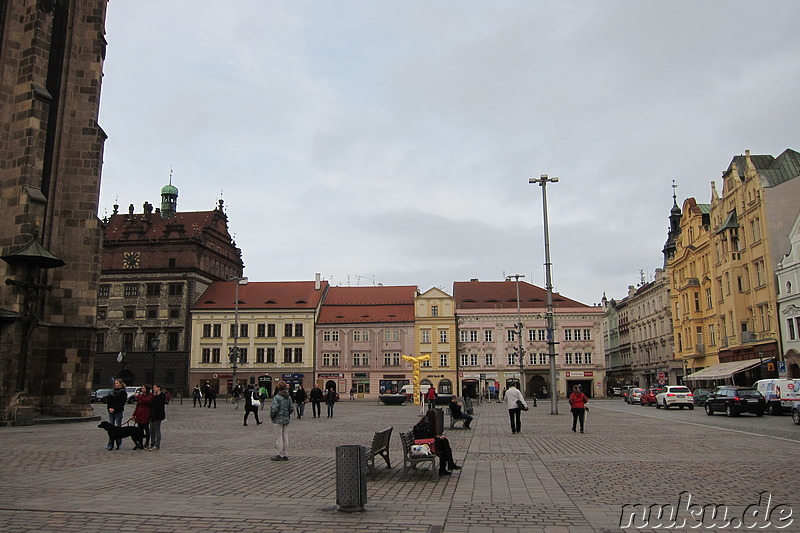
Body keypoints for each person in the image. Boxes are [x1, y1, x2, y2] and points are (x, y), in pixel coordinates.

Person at [412, 409, 461, 476]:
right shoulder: (426, 426)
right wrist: (438, 439)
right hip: (423, 447)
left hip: (424, 444)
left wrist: (437, 438)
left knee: (444, 444)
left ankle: (449, 465)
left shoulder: (424, 422)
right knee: (444, 444)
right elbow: (427, 439)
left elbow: (428, 437)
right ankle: (447, 466)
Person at [270, 381, 293, 461]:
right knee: (285, 436)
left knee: (279, 437)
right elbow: (291, 408)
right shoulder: (288, 397)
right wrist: (287, 413)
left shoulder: (277, 397)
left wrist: (272, 416)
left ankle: (280, 454)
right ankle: (286, 454)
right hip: (286, 419)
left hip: (278, 419)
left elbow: (274, 409)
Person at [105, 378, 128, 450]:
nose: (115, 385)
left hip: (118, 411)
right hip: (111, 411)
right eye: (115, 383)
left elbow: (121, 403)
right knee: (110, 428)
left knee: (118, 428)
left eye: (117, 383)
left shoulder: (123, 392)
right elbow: (109, 401)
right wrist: (109, 408)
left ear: (121, 384)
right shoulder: (112, 392)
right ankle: (110, 443)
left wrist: (115, 409)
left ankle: (119, 443)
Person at [132, 384, 153, 448]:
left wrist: (139, 396)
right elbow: (137, 406)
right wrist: (134, 414)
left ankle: (147, 442)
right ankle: (140, 443)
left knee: (146, 428)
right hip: (139, 414)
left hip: (145, 413)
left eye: (143, 388)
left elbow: (147, 401)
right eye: (142, 388)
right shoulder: (141, 396)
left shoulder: (150, 395)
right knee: (140, 429)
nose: (142, 389)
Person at [149, 384, 167, 451]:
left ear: (159, 388)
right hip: (152, 415)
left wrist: (155, 415)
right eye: (153, 387)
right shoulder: (154, 396)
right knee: (151, 430)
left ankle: (157, 445)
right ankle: (152, 444)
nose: (154, 389)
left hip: (158, 416)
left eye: (155, 387)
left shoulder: (161, 396)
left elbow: (159, 407)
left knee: (157, 430)